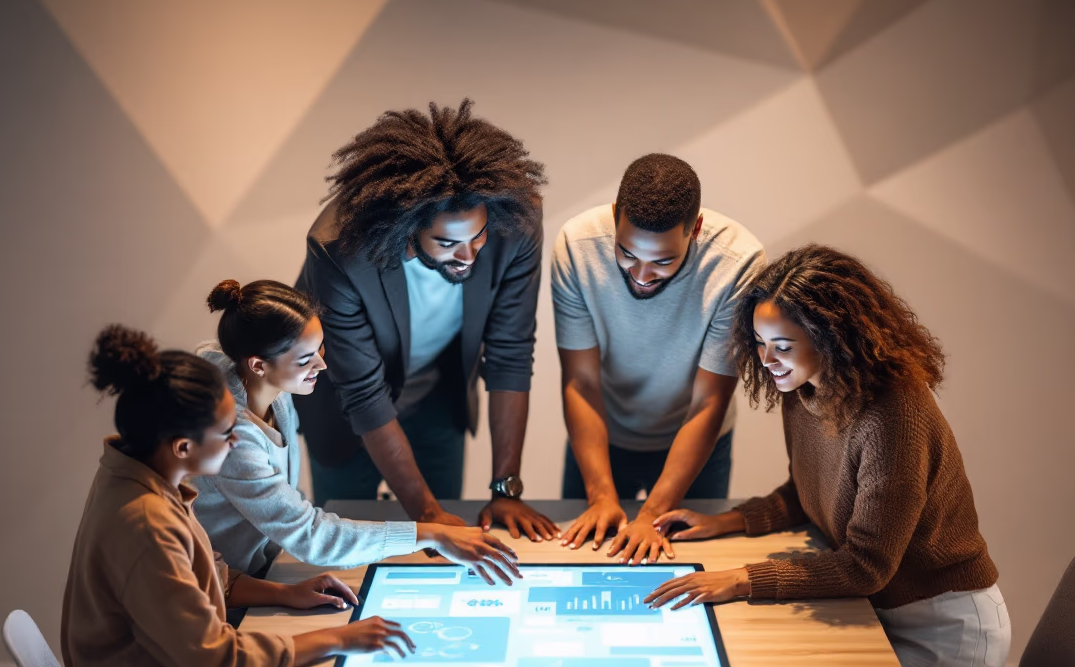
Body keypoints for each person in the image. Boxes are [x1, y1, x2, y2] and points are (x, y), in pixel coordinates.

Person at [644, 245, 1009, 667]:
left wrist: (741, 579)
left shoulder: (893, 416)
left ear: (833, 338)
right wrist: (724, 522)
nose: (766, 359)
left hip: (945, 633)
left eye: (783, 345)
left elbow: (866, 567)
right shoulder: (805, 390)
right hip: (877, 613)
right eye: (758, 341)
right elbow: (806, 492)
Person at [63, 325, 423, 667]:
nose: (236, 442)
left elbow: (205, 574)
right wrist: (338, 639)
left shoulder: (140, 473)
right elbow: (214, 659)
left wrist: (285, 593)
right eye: (227, 431)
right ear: (181, 446)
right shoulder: (147, 522)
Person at [294, 99, 558, 541]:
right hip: (345, 414)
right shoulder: (339, 248)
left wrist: (505, 490)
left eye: (478, 236)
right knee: (356, 551)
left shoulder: (515, 222)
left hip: (438, 398)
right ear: (408, 228)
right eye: (448, 243)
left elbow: (511, 353)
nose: (469, 255)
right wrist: (426, 516)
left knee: (439, 555)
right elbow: (362, 392)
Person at [193, 278, 525, 583]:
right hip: (218, 586)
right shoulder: (232, 437)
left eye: (320, 348)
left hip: (257, 571)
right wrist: (431, 534)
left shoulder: (270, 389)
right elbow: (310, 536)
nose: (321, 365)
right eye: (305, 359)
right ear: (258, 365)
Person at [552, 153, 765, 565]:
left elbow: (709, 401)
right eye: (627, 254)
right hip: (601, 432)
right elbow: (581, 382)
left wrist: (650, 515)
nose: (642, 275)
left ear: (695, 229)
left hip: (697, 439)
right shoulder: (575, 247)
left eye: (663, 261)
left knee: (683, 566)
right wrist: (600, 497)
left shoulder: (739, 264)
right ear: (616, 216)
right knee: (582, 559)